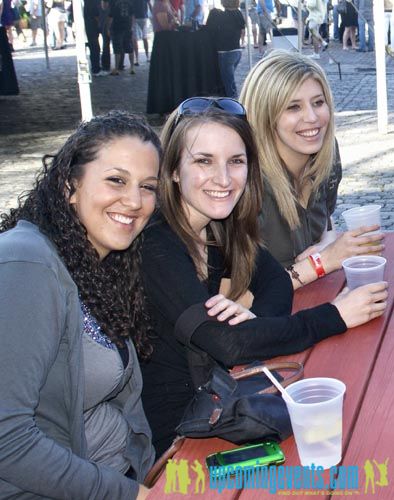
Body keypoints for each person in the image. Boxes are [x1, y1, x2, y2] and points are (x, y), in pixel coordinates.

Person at [139, 97, 388, 457]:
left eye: (236, 161)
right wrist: (335, 316)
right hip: (175, 441)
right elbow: (227, 343)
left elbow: (274, 281)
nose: (223, 179)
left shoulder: (217, 227)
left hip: (218, 406)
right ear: (174, 170)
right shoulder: (157, 242)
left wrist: (254, 328)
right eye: (204, 161)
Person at [0, 110, 162, 498]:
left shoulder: (98, 262)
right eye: (116, 181)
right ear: (71, 185)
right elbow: (7, 439)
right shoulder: (27, 263)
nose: (135, 201)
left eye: (148, 186)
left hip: (127, 472)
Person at [239, 50, 384, 288]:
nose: (312, 117)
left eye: (318, 102)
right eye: (293, 107)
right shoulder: (244, 182)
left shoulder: (326, 156)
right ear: (265, 115)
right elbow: (238, 295)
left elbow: (326, 223)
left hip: (317, 303)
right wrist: (322, 261)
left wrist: (328, 241)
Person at [206, 0, 245, 98]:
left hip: (225, 52)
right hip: (237, 51)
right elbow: (242, 31)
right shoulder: (239, 14)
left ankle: (234, 106)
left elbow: (211, 30)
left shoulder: (221, 16)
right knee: (229, 81)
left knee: (229, 84)